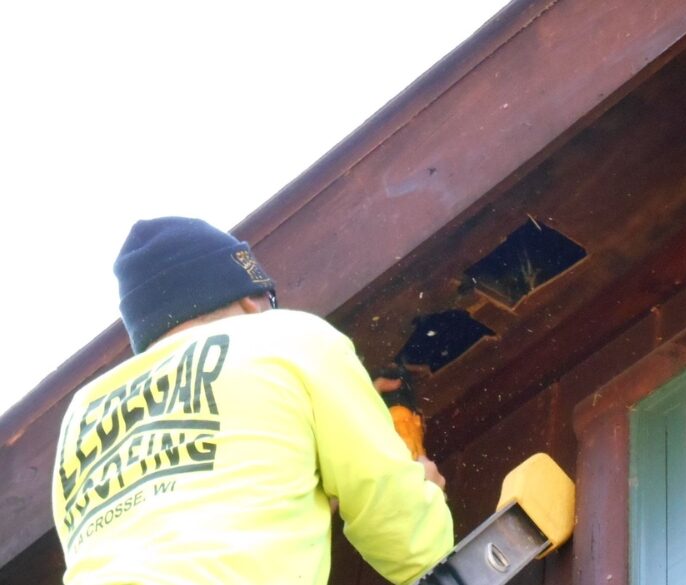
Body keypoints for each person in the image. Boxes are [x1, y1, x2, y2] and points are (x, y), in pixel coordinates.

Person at [51, 217, 453, 585]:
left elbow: (180, 530)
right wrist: (422, 494)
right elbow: (407, 542)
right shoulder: (289, 335)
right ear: (250, 297)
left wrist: (314, 490)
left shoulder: (82, 413)